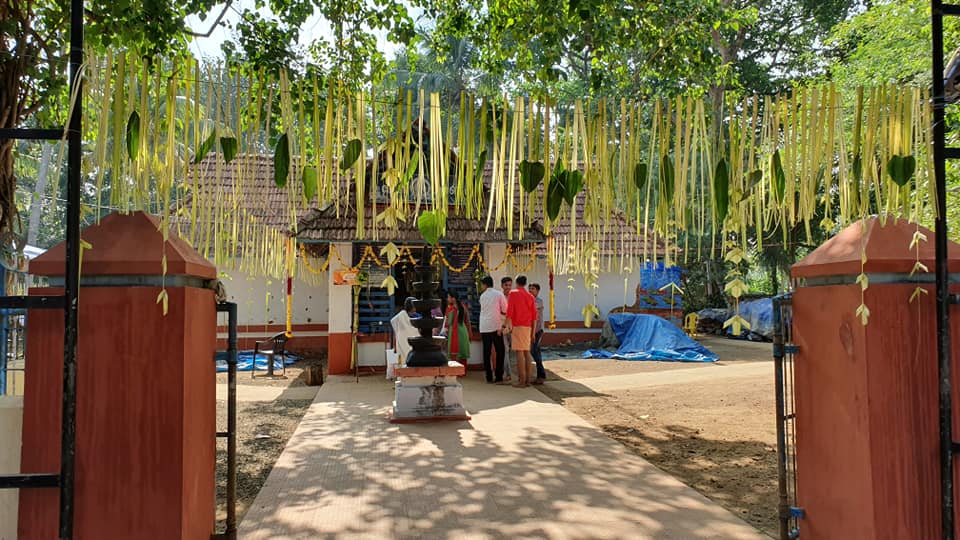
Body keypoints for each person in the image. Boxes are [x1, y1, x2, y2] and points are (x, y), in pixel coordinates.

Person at [504, 275, 536, 387]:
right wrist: (533, 332)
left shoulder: (513, 293)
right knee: (527, 353)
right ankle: (528, 380)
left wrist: (506, 326)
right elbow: (534, 316)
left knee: (519, 353)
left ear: (516, 283)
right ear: (525, 283)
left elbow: (509, 312)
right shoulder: (530, 296)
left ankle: (522, 381)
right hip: (528, 327)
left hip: (518, 326)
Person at [478, 276, 508, 383]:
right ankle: (498, 375)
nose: (481, 286)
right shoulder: (499, 294)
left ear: (485, 284)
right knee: (500, 351)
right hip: (496, 326)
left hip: (484, 326)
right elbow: (505, 309)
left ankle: (488, 376)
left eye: (482, 284)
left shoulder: (482, 296)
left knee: (487, 352)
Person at [444, 290, 471, 366]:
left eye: (448, 297)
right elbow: (468, 321)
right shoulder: (463, 306)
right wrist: (470, 334)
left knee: (453, 354)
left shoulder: (450, 309)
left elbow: (448, 323)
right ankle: (463, 372)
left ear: (453, 298)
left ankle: (455, 372)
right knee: (462, 353)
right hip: (463, 331)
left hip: (454, 332)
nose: (447, 299)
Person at [390, 297, 419, 365]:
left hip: (409, 345)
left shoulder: (415, 316)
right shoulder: (401, 316)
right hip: (401, 344)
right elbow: (396, 330)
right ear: (411, 307)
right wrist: (394, 346)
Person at [529, 282, 546, 385]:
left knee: (534, 351)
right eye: (530, 288)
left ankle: (541, 375)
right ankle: (541, 374)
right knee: (535, 352)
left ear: (537, 291)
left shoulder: (538, 301)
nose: (531, 290)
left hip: (537, 330)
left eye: (533, 289)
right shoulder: (530, 300)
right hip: (532, 330)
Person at [500, 276, 514, 380]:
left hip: (514, 326)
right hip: (503, 326)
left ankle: (522, 375)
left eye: (509, 285)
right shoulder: (500, 297)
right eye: (506, 285)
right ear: (502, 285)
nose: (508, 287)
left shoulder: (514, 296)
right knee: (505, 350)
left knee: (518, 350)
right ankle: (508, 373)